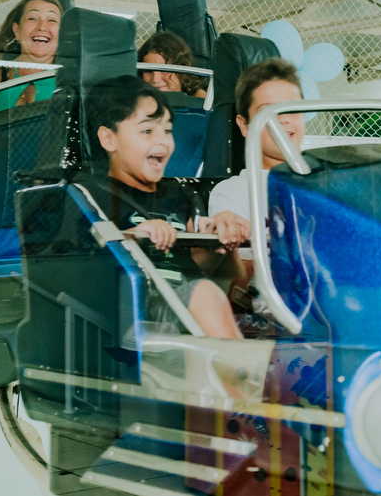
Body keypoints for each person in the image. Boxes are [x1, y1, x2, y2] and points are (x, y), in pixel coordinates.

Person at [78, 76, 248, 339]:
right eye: (147, 131)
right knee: (203, 294)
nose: (163, 141)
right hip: (134, 316)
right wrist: (136, 236)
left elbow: (197, 269)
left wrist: (218, 242)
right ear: (108, 139)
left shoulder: (178, 195)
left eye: (167, 130)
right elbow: (81, 271)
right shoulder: (92, 195)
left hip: (185, 304)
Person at [209, 58, 305, 222]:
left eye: (292, 108)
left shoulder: (327, 181)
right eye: (268, 110)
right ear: (244, 125)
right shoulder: (232, 193)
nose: (283, 118)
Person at [138, 31, 207, 98]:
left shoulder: (199, 100)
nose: (155, 79)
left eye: (164, 69)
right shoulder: (136, 102)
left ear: (182, 71)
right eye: (148, 71)